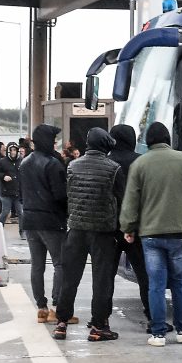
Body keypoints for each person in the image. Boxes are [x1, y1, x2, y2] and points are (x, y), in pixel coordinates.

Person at [120, 122, 182, 347]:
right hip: (180, 232)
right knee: (179, 283)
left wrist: (128, 228)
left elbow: (131, 201)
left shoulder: (140, 164)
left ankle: (158, 333)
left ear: (148, 141)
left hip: (151, 234)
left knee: (156, 284)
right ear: (168, 139)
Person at [53, 128, 125, 342]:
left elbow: (68, 194)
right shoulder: (114, 169)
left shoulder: (72, 166)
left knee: (70, 278)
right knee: (101, 280)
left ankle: (61, 323)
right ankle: (98, 326)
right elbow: (121, 200)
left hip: (75, 230)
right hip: (102, 232)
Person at [19, 124, 75, 325]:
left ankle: (41, 308)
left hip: (30, 220)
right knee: (60, 264)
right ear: (46, 141)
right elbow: (60, 194)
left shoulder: (24, 163)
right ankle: (58, 308)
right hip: (50, 220)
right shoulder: (52, 164)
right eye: (53, 140)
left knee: (37, 265)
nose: (55, 143)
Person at [108, 124, 154, 330]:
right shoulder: (141, 161)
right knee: (145, 274)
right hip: (137, 228)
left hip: (109, 228)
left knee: (106, 275)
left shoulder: (106, 161)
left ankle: (101, 318)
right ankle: (152, 315)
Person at [0, 143, 21, 225]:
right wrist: (3, 176)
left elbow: (26, 174)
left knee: (21, 212)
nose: (13, 152)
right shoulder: (2, 161)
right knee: (5, 212)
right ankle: (0, 228)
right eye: (11, 150)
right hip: (6, 192)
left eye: (14, 150)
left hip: (18, 192)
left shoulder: (21, 161)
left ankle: (22, 232)